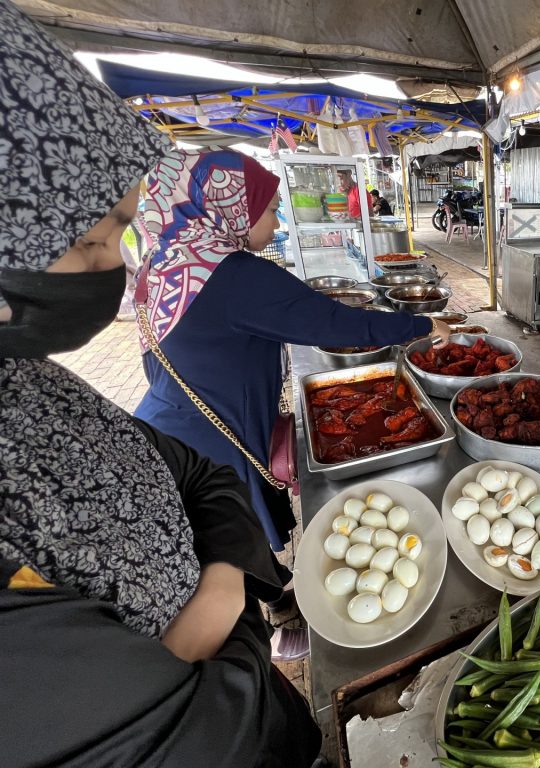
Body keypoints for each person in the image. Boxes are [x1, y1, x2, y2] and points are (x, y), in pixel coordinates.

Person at [0, 2, 322, 764]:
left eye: (119, 232)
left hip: (206, 449)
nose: (113, 263)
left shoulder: (27, 385)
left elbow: (194, 475)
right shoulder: (231, 273)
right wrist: (233, 587)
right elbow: (182, 737)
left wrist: (213, 605)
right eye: (89, 240)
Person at [135, 148, 450, 554]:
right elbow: (335, 323)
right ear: (233, 211)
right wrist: (422, 325)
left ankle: (270, 596)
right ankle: (268, 601)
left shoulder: (168, 259)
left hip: (169, 425)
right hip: (209, 445)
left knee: (222, 546)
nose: (278, 221)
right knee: (228, 550)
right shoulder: (231, 275)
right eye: (270, 210)